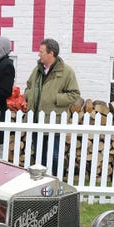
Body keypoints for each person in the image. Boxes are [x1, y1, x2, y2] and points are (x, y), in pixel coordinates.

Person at [24, 38, 82, 171]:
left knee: (55, 156)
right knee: (39, 157)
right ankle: (40, 184)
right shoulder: (37, 70)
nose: (39, 54)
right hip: (36, 121)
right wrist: (29, 95)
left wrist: (55, 98)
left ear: (51, 54)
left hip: (54, 121)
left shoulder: (66, 72)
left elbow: (74, 94)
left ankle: (56, 181)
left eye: (41, 51)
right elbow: (28, 87)